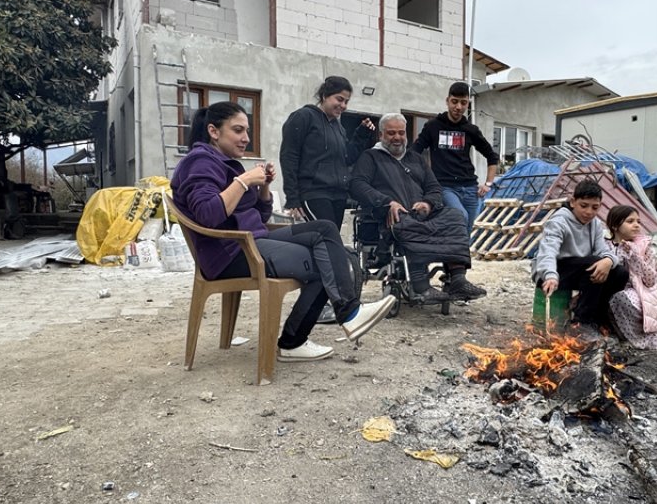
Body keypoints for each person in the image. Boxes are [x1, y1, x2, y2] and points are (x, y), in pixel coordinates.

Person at [172, 101, 396, 362]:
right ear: (213, 131)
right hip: (230, 254)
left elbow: (261, 216)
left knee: (325, 233)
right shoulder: (199, 162)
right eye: (238, 130)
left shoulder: (224, 162)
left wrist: (264, 187)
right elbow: (208, 215)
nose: (245, 138)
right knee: (326, 262)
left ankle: (339, 318)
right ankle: (302, 337)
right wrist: (243, 182)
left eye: (247, 131)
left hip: (252, 241)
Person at [349, 113, 486, 303]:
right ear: (381, 135)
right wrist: (387, 202)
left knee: (455, 216)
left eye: (401, 133)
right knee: (404, 222)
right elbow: (357, 184)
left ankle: (457, 279)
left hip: (421, 214)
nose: (397, 137)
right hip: (393, 215)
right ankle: (421, 286)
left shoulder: (416, 158)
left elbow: (434, 187)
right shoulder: (371, 157)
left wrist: (428, 203)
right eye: (391, 133)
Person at [532, 179, 629, 331]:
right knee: (594, 265)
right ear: (573, 202)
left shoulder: (595, 224)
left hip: (581, 270)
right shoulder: (558, 222)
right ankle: (581, 323)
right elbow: (548, 252)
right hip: (553, 272)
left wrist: (609, 261)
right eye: (584, 206)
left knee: (620, 273)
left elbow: (603, 251)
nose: (589, 212)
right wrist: (550, 275)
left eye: (594, 207)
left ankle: (598, 319)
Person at [280, 75, 376, 228]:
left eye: (346, 101)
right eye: (339, 99)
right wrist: (292, 197)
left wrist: (361, 134)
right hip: (313, 192)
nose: (343, 105)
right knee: (327, 239)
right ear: (324, 96)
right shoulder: (303, 117)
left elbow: (347, 158)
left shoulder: (338, 128)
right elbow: (289, 156)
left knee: (328, 242)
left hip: (338, 195)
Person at [411, 81, 500, 238]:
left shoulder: (470, 130)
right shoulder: (433, 126)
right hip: (445, 187)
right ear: (447, 101)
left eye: (463, 103)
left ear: (467, 104)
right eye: (454, 102)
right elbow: (414, 153)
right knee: (460, 217)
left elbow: (492, 157)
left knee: (466, 234)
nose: (458, 107)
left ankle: (457, 262)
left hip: (470, 189)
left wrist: (488, 184)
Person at [606, 205, 657, 349]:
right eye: (630, 221)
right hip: (607, 289)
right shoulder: (604, 246)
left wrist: (635, 256)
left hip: (637, 292)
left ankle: (635, 339)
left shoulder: (644, 247)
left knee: (619, 299)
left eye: (638, 221)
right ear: (614, 226)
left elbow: (650, 281)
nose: (636, 225)